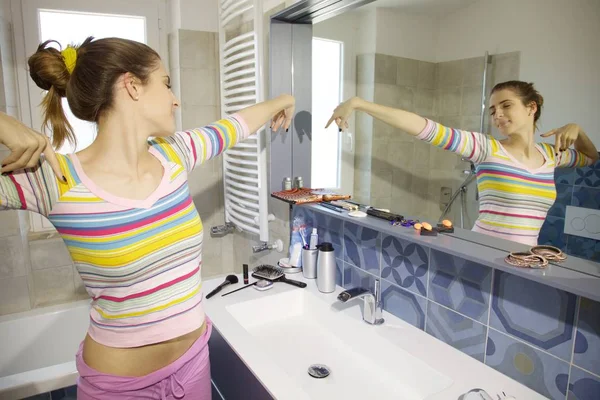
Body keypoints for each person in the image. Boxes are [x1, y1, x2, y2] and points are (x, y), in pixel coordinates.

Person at [0, 36, 295, 399]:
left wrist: (284, 99)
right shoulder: (54, 179)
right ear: (132, 85)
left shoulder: (175, 153)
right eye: (167, 83)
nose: (175, 99)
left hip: (193, 366)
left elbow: (236, 125)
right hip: (119, 388)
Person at [326, 80, 598, 246]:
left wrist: (578, 129)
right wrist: (361, 104)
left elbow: (591, 158)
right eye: (493, 110)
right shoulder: (486, 148)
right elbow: (426, 128)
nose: (498, 115)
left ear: (531, 107)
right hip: (483, 251)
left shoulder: (552, 155)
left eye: (506, 106)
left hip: (524, 260)